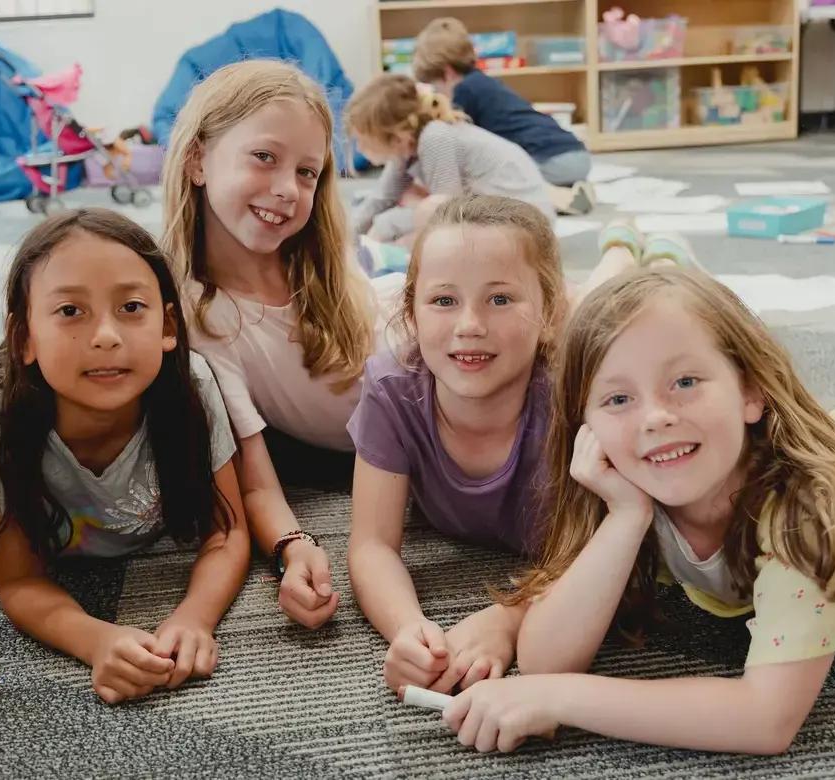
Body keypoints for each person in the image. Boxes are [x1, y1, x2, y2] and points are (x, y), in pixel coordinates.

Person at [438, 220, 835, 754]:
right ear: (587, 429)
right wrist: (622, 521)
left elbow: (766, 718)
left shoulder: (812, 517)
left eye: (684, 382)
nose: (654, 416)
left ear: (751, 391)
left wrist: (558, 699)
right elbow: (547, 653)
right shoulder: (636, 480)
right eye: (619, 398)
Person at [0, 208, 248, 705]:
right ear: (24, 339)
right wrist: (96, 638)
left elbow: (226, 532)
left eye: (131, 307)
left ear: (167, 325)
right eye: (70, 312)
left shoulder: (191, 383)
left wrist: (194, 618)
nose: (106, 334)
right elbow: (17, 582)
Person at [162, 59, 396, 631]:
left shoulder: (315, 258)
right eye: (264, 157)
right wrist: (293, 546)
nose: (288, 189)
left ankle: (624, 251)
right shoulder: (202, 315)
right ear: (197, 160)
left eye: (308, 172)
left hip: (430, 333)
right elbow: (254, 474)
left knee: (570, 310)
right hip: (424, 404)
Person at [347, 193, 566, 696]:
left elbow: (614, 555)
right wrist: (408, 629)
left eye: (501, 298)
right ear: (412, 312)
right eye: (444, 300)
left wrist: (510, 620)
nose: (470, 326)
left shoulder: (576, 399)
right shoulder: (390, 386)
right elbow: (373, 543)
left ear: (549, 311)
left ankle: (632, 253)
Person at [345, 73, 556, 250]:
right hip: (494, 214)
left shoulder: (435, 137)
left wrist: (384, 226)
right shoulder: (406, 148)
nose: (360, 149)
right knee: (394, 225)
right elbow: (381, 198)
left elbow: (445, 216)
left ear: (396, 136)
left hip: (525, 225)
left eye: (364, 141)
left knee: (403, 235)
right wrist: (342, 240)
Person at [412, 17, 595, 216]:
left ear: (446, 72)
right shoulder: (481, 81)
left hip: (556, 160)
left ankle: (561, 197)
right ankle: (568, 190)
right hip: (573, 154)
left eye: (435, 84)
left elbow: (451, 146)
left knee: (495, 183)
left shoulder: (464, 91)